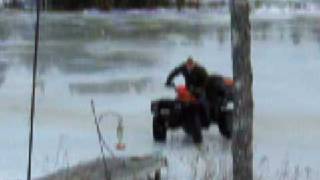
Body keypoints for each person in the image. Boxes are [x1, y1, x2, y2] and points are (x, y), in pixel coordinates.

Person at [165, 57, 210, 126]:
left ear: (194, 65)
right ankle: (175, 118)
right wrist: (168, 81)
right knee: (179, 100)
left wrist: (200, 88)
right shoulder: (183, 67)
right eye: (188, 65)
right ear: (186, 64)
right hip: (188, 88)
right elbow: (174, 72)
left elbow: (206, 80)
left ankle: (206, 120)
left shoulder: (200, 70)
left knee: (202, 101)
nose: (189, 67)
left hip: (200, 88)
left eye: (191, 65)